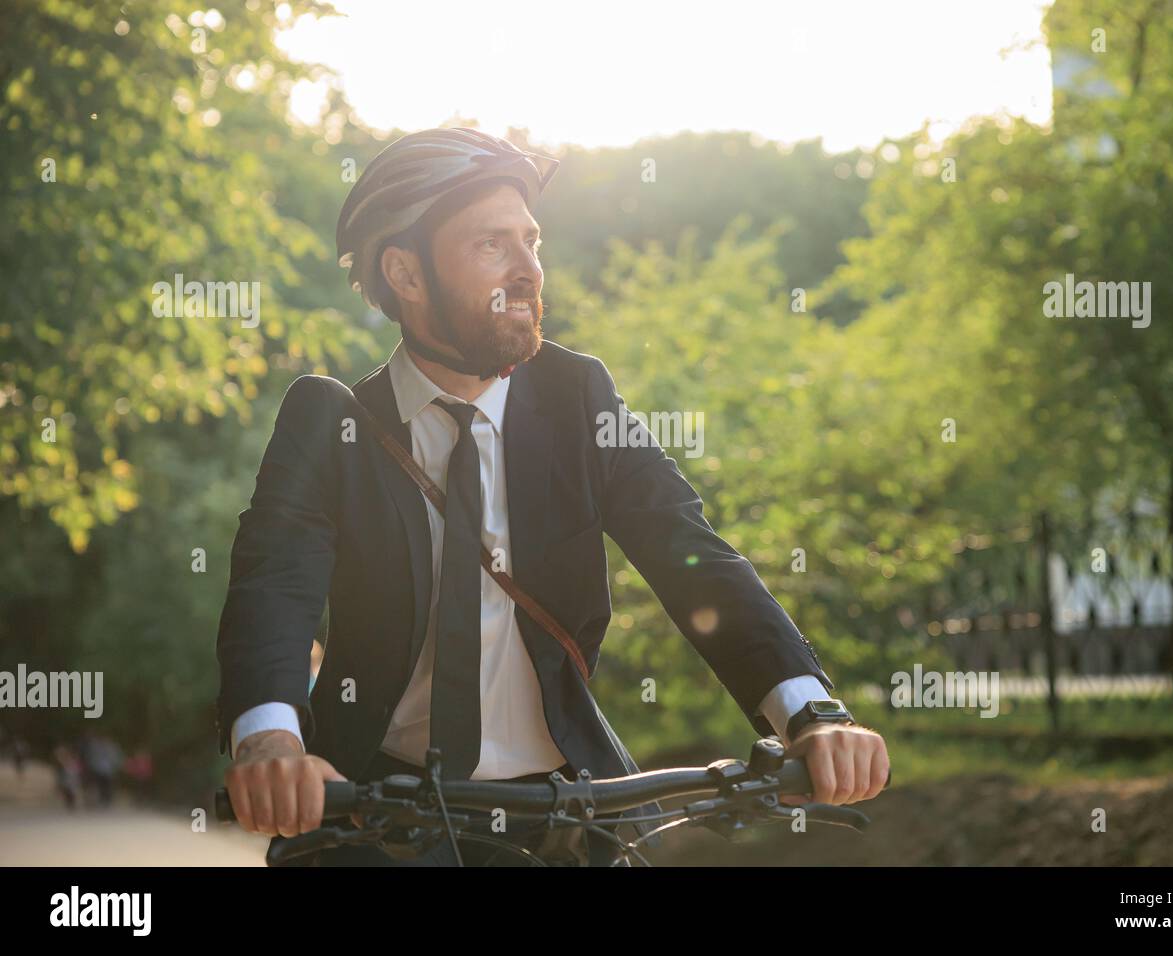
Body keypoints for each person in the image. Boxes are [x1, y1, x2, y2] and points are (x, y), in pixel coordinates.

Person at [215, 127, 890, 866]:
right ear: (405, 275)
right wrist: (271, 740)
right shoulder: (332, 422)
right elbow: (274, 587)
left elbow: (690, 553)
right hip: (376, 812)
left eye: (532, 241)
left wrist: (811, 714)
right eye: (492, 245)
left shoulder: (576, 398)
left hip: (570, 808)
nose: (530, 269)